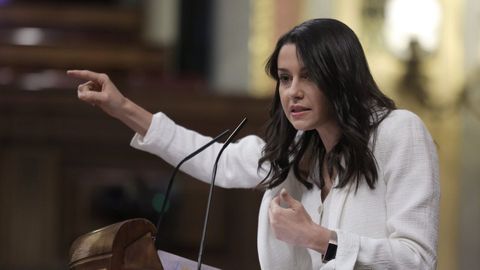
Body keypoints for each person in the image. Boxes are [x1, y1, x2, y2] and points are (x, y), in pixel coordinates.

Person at [67, 18, 439, 269]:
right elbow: (213, 159)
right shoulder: (295, 150)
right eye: (284, 78)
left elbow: (417, 258)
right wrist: (122, 107)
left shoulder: (399, 132)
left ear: (339, 76)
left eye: (307, 77)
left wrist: (319, 238)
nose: (292, 92)